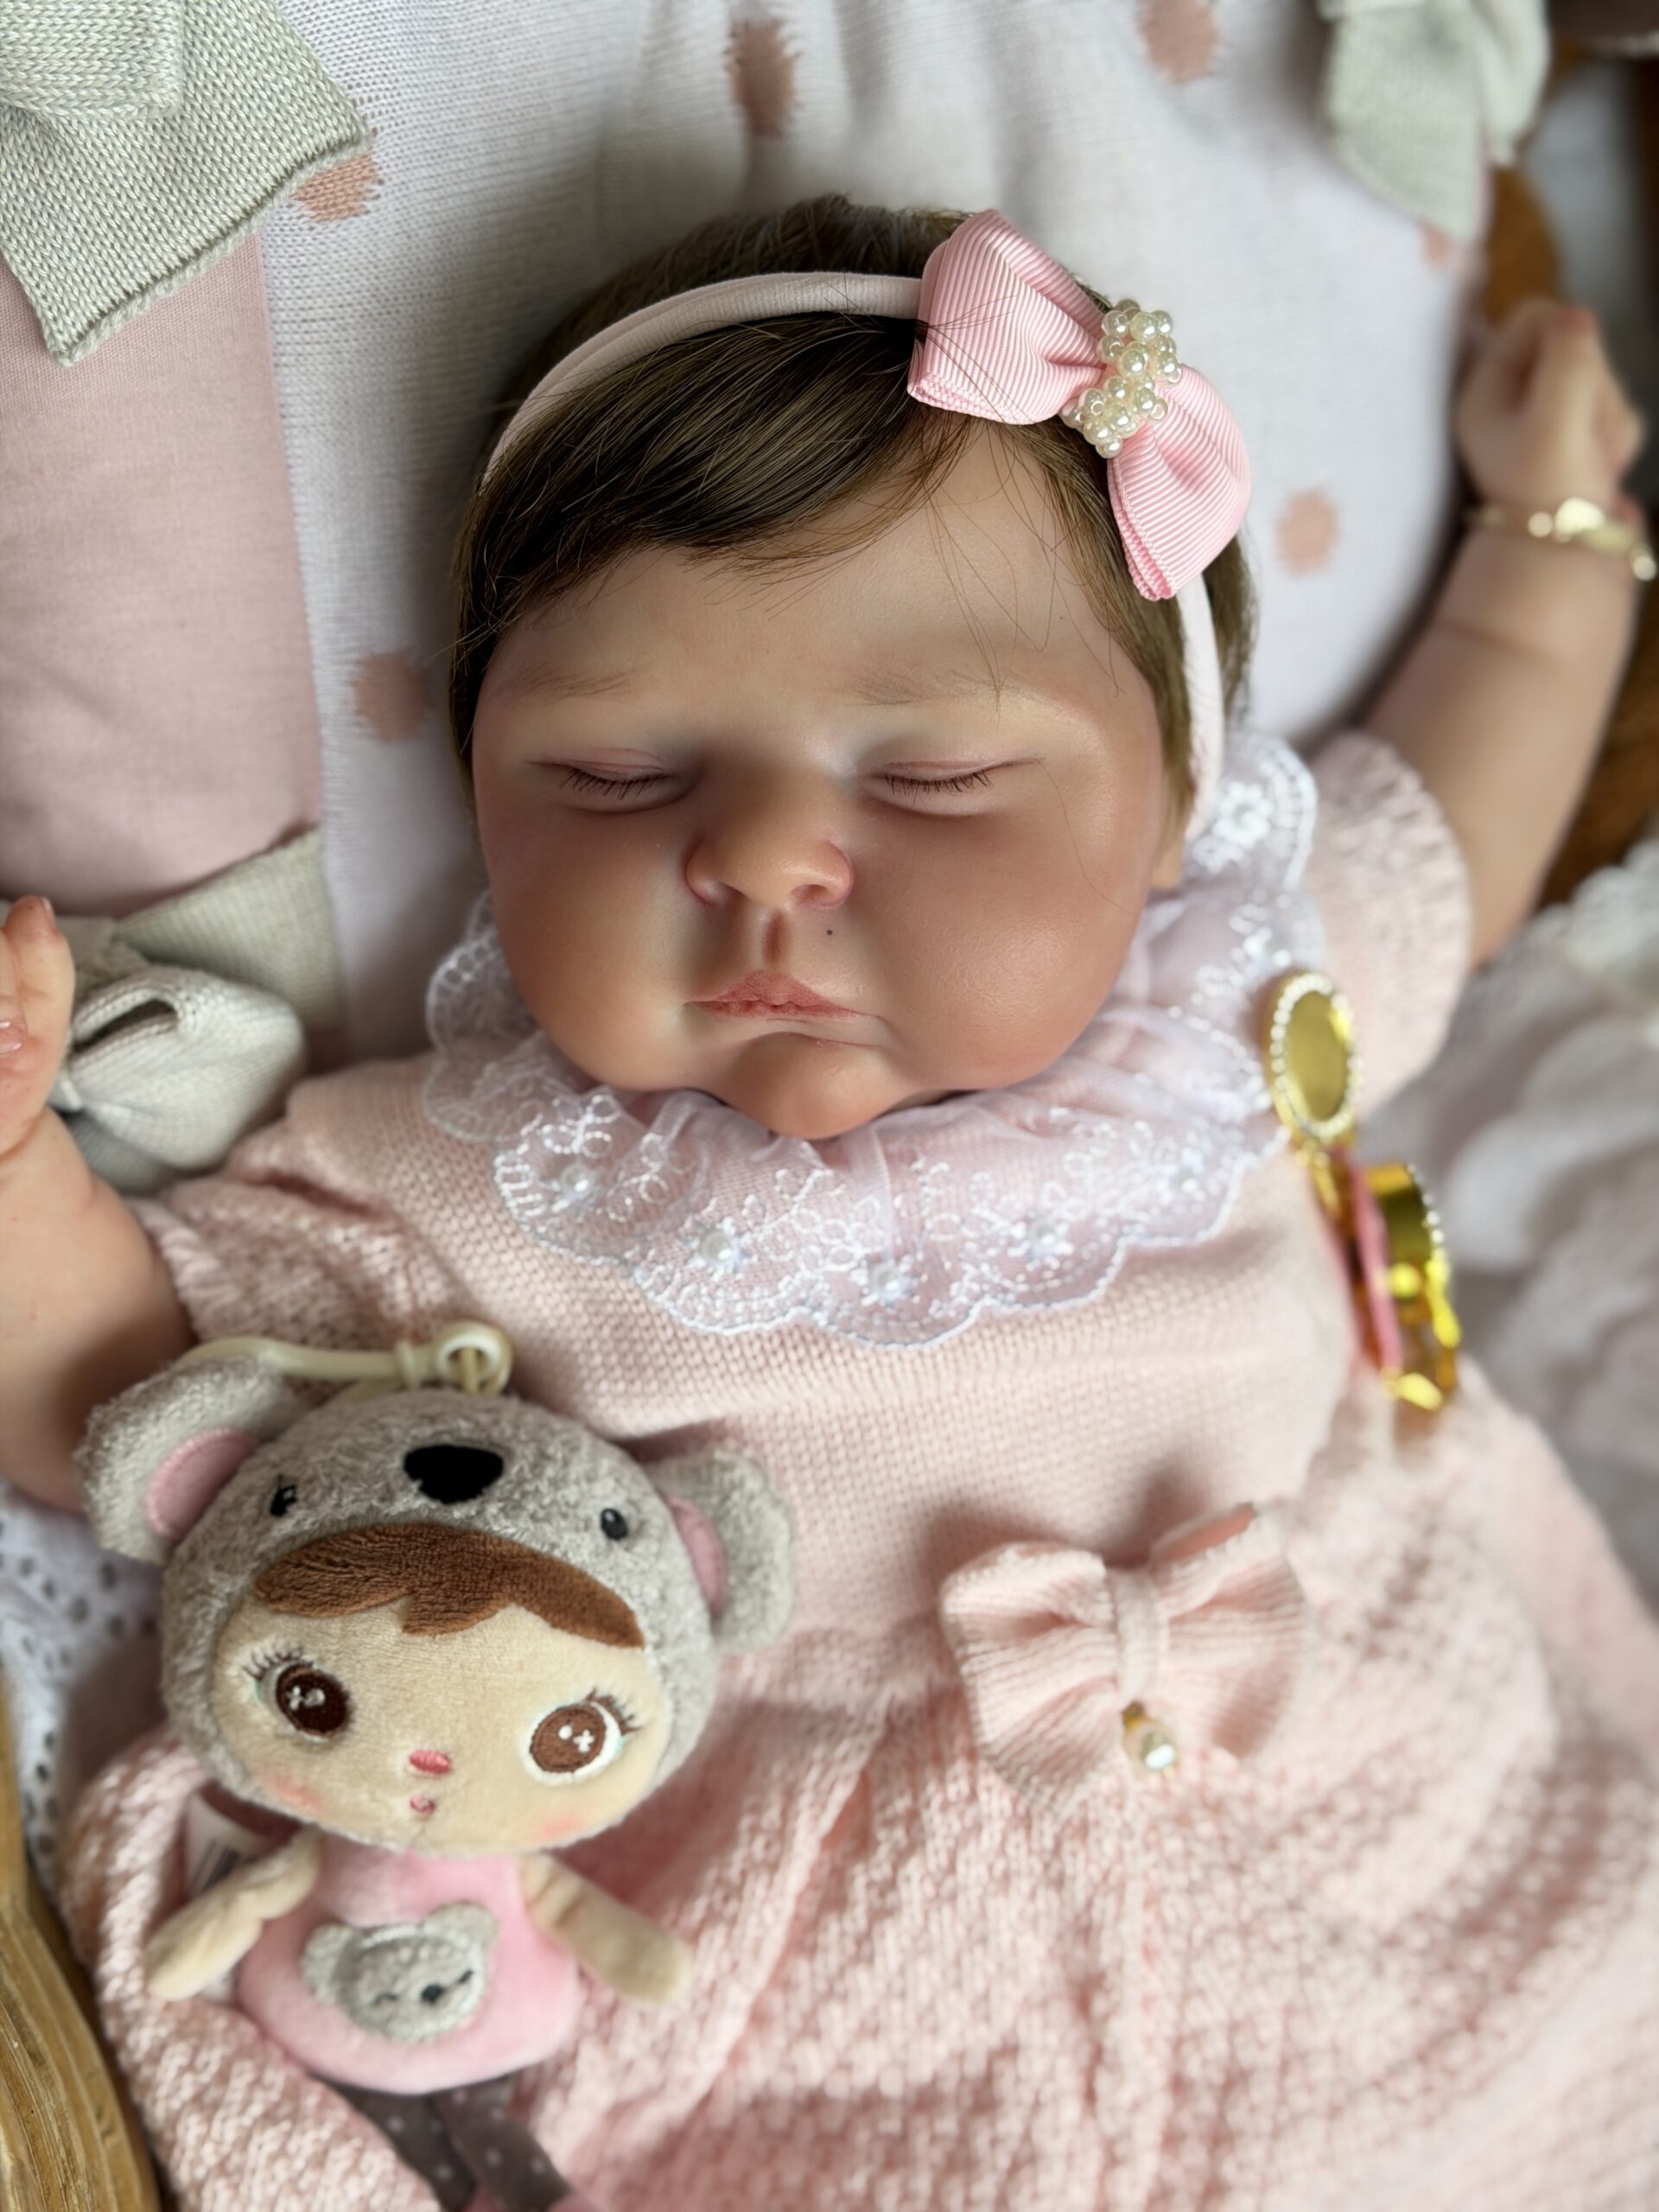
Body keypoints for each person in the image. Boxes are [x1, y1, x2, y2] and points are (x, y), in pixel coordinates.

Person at [4, 198, 1659, 2209]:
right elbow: (132, 1411)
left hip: (1416, 1883)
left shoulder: (1245, 1007)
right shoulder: (470, 1187)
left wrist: (1553, 533)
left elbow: (1464, 812)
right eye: (619, 774)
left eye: (938, 774)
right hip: (834, 2035)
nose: (770, 853)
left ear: (1172, 807)